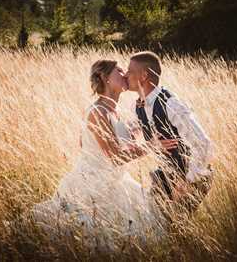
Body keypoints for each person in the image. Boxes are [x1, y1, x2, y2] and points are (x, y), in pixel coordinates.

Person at [31, 60, 165, 251]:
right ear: (105, 78)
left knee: (144, 221)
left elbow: (119, 144)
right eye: (119, 71)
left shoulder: (118, 111)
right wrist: (151, 147)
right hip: (93, 185)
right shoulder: (97, 112)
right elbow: (115, 157)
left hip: (116, 180)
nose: (125, 73)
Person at [124, 51, 213, 213]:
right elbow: (128, 137)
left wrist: (187, 181)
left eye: (130, 70)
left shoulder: (170, 103)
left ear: (144, 76)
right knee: (158, 223)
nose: (125, 74)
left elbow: (203, 144)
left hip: (192, 177)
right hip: (165, 175)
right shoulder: (136, 107)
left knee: (175, 226)